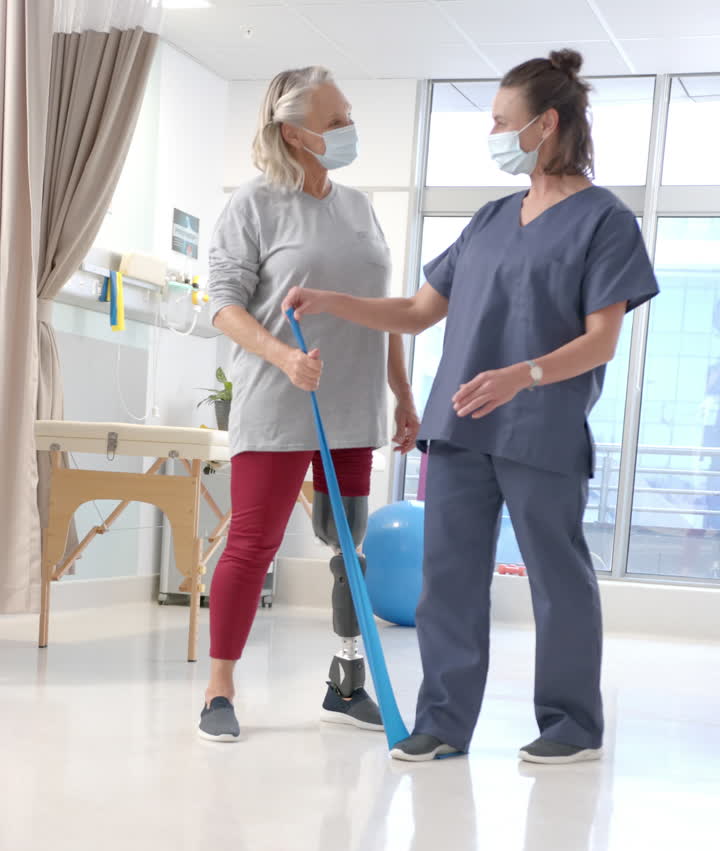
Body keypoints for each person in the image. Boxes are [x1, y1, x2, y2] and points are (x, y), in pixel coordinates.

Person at [285, 49, 660, 764]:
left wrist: (525, 374)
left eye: (500, 121)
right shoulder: (490, 220)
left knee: (559, 583)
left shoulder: (604, 221)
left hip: (541, 431)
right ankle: (444, 722)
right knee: (447, 581)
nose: (491, 132)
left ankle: (570, 726)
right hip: (458, 428)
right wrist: (332, 301)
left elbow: (602, 341)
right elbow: (418, 312)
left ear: (545, 125)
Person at [199, 66, 419, 743]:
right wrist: (284, 357)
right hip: (277, 403)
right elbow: (224, 307)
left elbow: (381, 312)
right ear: (295, 133)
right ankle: (218, 690)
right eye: (337, 120)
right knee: (252, 545)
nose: (349, 129)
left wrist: (403, 394)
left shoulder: (359, 207)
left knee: (349, 549)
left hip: (352, 407)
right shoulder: (254, 205)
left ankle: (345, 682)